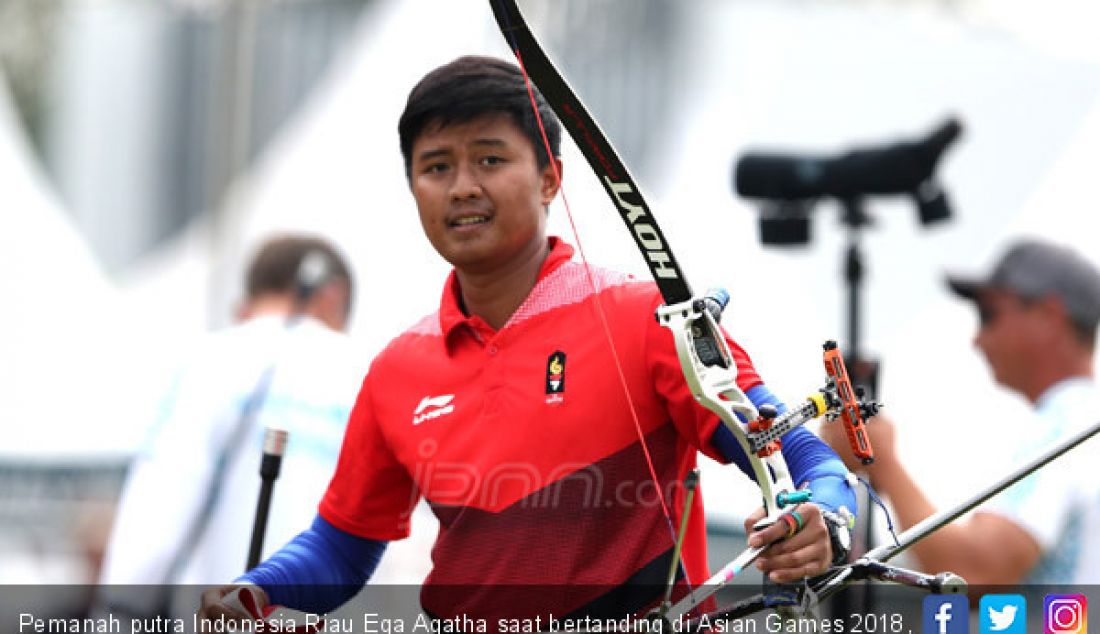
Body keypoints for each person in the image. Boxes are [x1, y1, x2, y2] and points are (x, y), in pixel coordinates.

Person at [199, 55, 857, 624]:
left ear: (550, 179)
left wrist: (821, 520)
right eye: (436, 166)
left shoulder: (649, 318)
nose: (462, 187)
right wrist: (257, 592)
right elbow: (340, 548)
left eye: (490, 158)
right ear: (413, 188)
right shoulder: (397, 371)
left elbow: (803, 458)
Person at [98, 235, 367, 615]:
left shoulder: (214, 359)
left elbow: (155, 518)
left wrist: (116, 609)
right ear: (334, 297)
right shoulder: (369, 375)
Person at [821, 239, 1100, 585]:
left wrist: (881, 460)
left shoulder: (1065, 429)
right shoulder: (1084, 423)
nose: (977, 340)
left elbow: (974, 571)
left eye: (989, 315)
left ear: (1048, 315)